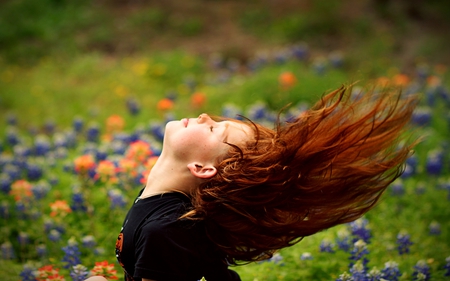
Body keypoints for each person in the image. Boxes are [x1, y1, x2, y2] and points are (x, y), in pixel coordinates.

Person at [93, 84, 417, 281]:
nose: (206, 117)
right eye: (216, 124)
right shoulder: (159, 205)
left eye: (213, 131)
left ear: (201, 168)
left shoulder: (164, 232)